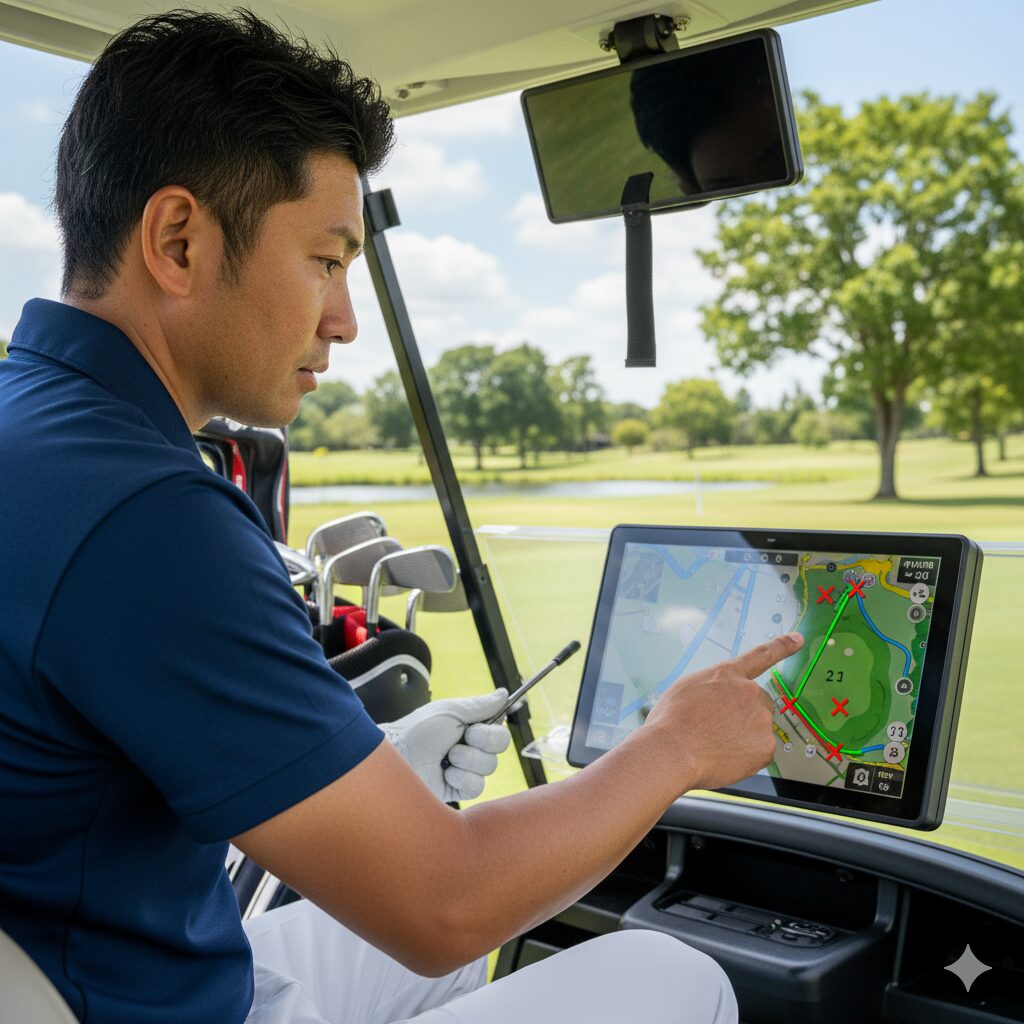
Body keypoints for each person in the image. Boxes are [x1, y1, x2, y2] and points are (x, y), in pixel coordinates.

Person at [0, 10, 802, 1024]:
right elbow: (445, 904)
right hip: (134, 1000)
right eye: (327, 260)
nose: (343, 318)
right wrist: (676, 746)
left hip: (100, 960)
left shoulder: (33, 427)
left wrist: (370, 768)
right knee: (670, 975)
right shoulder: (152, 515)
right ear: (177, 240)